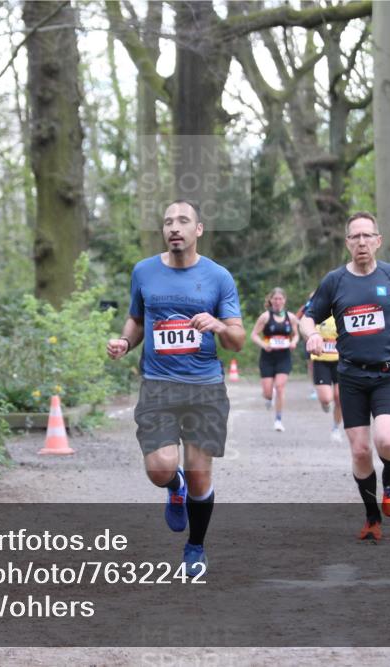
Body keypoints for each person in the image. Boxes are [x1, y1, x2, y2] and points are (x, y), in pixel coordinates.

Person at [107, 200, 245, 575]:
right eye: (168, 221)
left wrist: (218, 325)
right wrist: (125, 341)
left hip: (205, 388)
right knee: (159, 469)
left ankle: (195, 548)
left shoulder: (218, 277)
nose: (174, 227)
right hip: (158, 386)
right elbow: (137, 319)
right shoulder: (144, 271)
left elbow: (237, 340)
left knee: (201, 475)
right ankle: (173, 485)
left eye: (183, 221)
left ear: (198, 230)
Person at [300, 211, 390, 541]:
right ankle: (372, 518)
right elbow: (307, 317)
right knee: (359, 451)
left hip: (387, 374)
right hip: (352, 377)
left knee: (386, 440)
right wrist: (310, 334)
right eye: (355, 237)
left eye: (367, 236)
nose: (361, 242)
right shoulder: (335, 281)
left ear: (377, 241)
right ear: (347, 243)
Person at [250, 288, 300, 432]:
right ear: (271, 300)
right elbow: (254, 335)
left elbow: (296, 335)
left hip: (284, 357)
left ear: (284, 300)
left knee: (279, 387)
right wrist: (264, 345)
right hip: (267, 357)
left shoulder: (291, 317)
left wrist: (293, 342)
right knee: (267, 393)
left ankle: (278, 420)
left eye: (280, 299)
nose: (278, 301)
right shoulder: (265, 317)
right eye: (275, 299)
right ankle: (268, 397)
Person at [310, 315, 344, 443]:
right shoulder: (318, 312)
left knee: (339, 398)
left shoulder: (342, 312)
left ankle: (336, 428)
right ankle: (324, 403)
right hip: (321, 361)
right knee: (326, 398)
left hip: (340, 361)